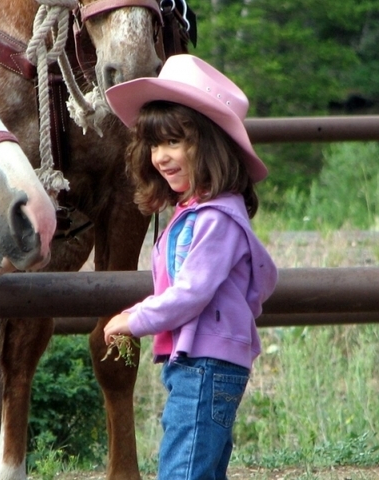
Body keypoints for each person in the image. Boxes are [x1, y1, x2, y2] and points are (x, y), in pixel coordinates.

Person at [102, 54, 279, 480]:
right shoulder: (196, 214)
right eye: (154, 144)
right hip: (198, 364)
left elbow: (190, 293)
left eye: (174, 141)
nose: (161, 156)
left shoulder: (216, 218)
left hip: (205, 366)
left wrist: (133, 319)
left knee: (182, 472)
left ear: (211, 144)